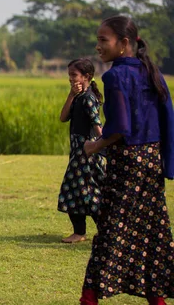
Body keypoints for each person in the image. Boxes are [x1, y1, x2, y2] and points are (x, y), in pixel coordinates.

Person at [80, 15, 174, 305]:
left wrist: (95, 146)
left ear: (123, 44)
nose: (98, 46)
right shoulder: (153, 73)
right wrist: (167, 164)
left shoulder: (114, 76)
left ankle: (89, 299)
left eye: (103, 40)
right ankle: (156, 299)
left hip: (127, 164)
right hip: (151, 162)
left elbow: (119, 126)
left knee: (111, 232)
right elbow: (168, 118)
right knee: (152, 232)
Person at [57, 58, 106, 244]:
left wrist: (102, 147)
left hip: (86, 151)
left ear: (87, 77)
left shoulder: (88, 99)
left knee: (82, 191)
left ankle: (95, 231)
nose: (70, 78)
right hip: (77, 151)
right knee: (79, 191)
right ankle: (84, 231)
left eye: (74, 75)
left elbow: (97, 124)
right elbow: (63, 118)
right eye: (69, 74)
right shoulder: (78, 96)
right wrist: (71, 95)